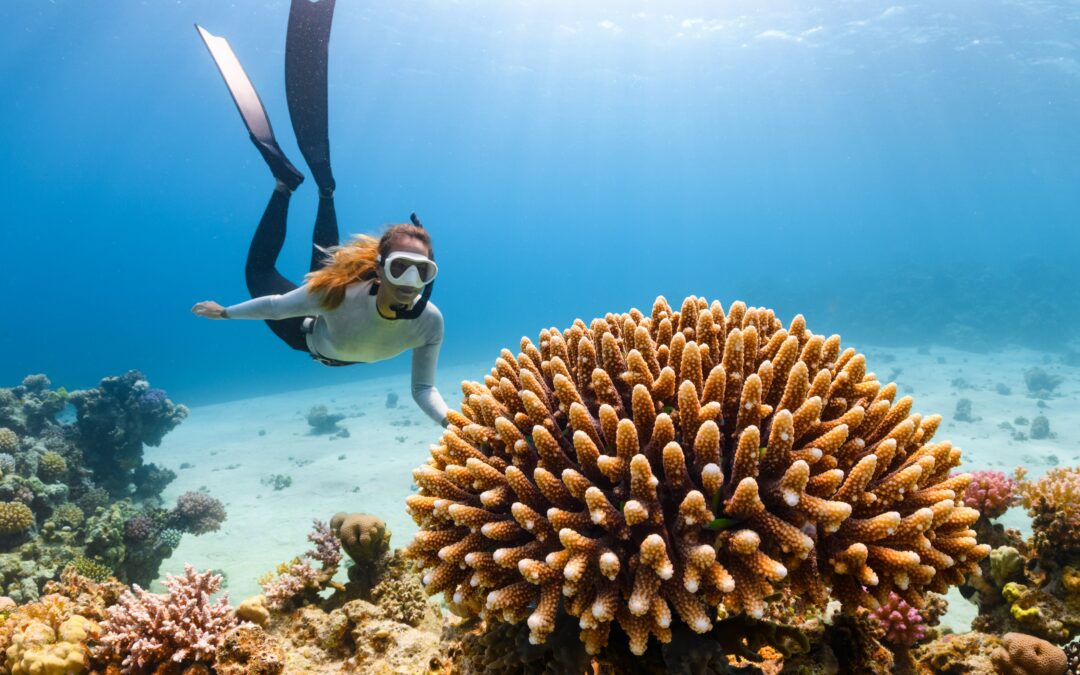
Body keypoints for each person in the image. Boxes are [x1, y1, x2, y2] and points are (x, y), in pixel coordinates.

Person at [191, 0, 449, 427]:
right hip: (307, 331)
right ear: (381, 267)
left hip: (324, 339)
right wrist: (227, 313)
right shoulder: (339, 293)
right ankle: (296, 188)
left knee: (324, 265)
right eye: (401, 267)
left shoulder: (429, 322)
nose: (411, 283)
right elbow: (275, 306)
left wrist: (455, 424)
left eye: (423, 271)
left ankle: (304, 186)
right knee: (264, 269)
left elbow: (423, 389)